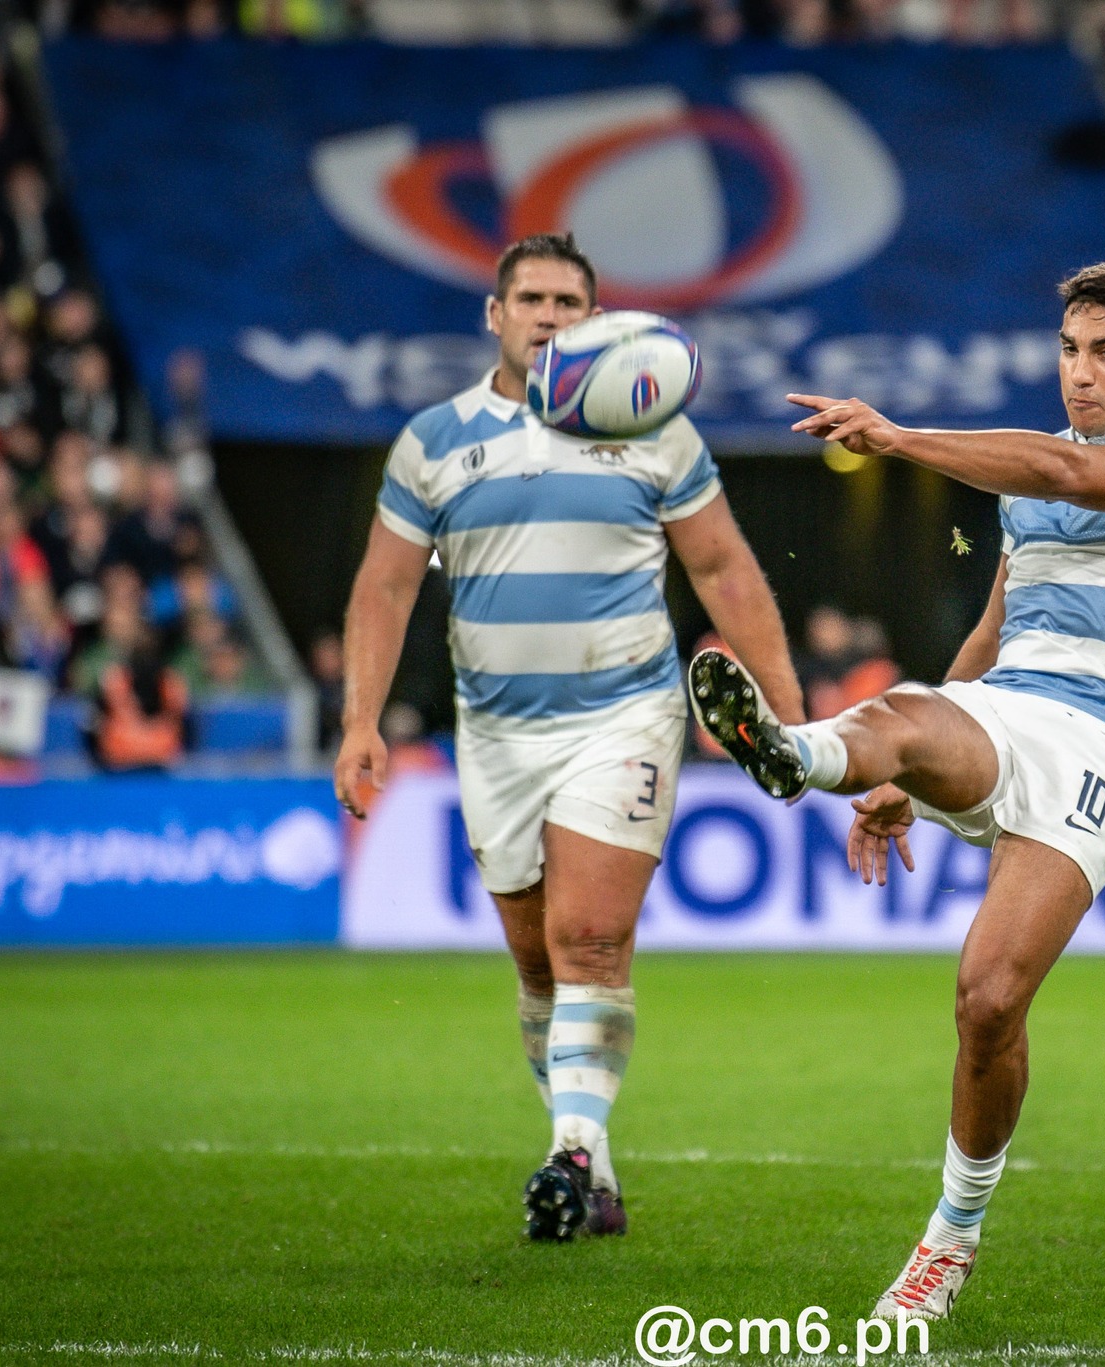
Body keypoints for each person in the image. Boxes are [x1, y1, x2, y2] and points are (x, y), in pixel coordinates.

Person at [690, 256, 1105, 1320]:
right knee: (895, 711)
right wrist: (909, 770)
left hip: (1102, 745)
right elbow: (991, 634)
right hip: (1006, 709)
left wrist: (896, 437)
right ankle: (796, 753)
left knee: (988, 998)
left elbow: (1074, 476)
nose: (1080, 374)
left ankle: (952, 1234)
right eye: (1070, 350)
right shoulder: (1029, 480)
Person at [332, 233, 801, 1242]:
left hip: (623, 714)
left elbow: (723, 569)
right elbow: (382, 585)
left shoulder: (658, 434)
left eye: (567, 300)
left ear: (597, 321)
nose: (547, 314)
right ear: (493, 316)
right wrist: (358, 718)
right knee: (538, 965)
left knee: (589, 937)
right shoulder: (433, 439)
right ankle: (592, 1157)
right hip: (493, 732)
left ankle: (569, 1153)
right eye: (530, 298)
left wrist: (789, 711)